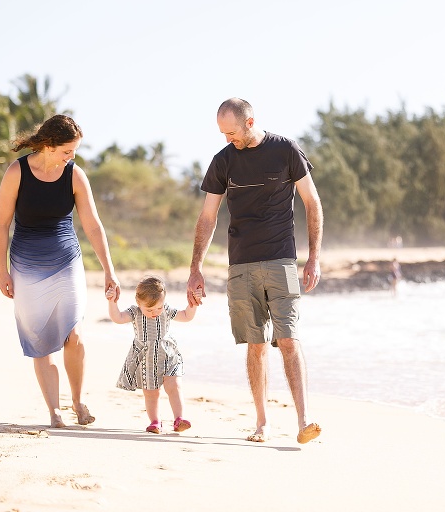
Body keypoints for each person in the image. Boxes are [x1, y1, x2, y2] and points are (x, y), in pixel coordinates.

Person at [186, 98, 324, 444]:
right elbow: (207, 218)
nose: (227, 139)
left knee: (289, 338)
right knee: (256, 344)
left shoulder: (285, 150)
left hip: (281, 260)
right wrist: (195, 269)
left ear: (250, 123)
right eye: (222, 133)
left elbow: (312, 202)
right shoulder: (224, 161)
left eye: (231, 132)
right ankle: (261, 423)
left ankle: (304, 420)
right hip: (242, 264)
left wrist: (314, 258)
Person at [0, 114, 119, 428]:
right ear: (48, 146)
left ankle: (78, 402)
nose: (72, 157)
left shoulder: (75, 175)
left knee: (73, 334)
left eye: (74, 151)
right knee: (39, 339)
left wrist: (109, 270)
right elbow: (1, 225)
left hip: (66, 262)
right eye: (67, 151)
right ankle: (54, 411)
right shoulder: (17, 172)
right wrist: (2, 270)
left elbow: (92, 224)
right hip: (26, 265)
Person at [106, 276, 199, 434]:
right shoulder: (134, 312)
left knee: (174, 386)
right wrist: (112, 301)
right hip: (146, 357)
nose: (155, 312)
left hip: (168, 355)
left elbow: (186, 316)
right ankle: (155, 422)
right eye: (149, 310)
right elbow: (117, 318)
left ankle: (179, 419)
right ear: (138, 302)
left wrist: (193, 304)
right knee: (151, 393)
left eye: (158, 308)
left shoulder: (167, 310)